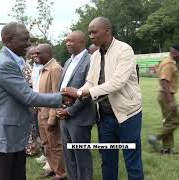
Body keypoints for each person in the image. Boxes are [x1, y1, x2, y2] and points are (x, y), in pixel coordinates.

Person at [0, 22, 75, 180]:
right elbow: (28, 97)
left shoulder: (11, 60)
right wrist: (62, 97)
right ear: (8, 40)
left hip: (11, 136)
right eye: (25, 40)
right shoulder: (5, 63)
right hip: (1, 137)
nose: (29, 44)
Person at [62, 17, 144, 180]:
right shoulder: (95, 56)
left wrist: (79, 93)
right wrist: (77, 93)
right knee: (107, 160)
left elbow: (117, 83)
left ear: (107, 30)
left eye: (94, 32)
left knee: (132, 161)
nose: (91, 36)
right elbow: (90, 82)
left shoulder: (124, 50)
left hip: (128, 115)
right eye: (89, 33)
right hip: (106, 116)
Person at [56, 31, 96, 180]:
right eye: (66, 41)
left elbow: (88, 91)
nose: (68, 43)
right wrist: (61, 108)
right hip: (64, 116)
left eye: (71, 41)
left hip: (80, 117)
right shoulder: (68, 61)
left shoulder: (91, 60)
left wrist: (70, 111)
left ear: (82, 42)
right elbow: (63, 87)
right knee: (69, 155)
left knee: (81, 156)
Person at [34, 44, 66, 180]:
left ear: (46, 54)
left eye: (38, 53)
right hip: (41, 112)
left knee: (55, 145)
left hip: (49, 114)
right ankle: (53, 169)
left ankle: (62, 173)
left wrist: (52, 119)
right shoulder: (43, 68)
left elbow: (56, 95)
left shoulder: (55, 69)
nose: (35, 56)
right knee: (46, 144)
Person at [148, 44, 179, 154]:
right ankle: (155, 137)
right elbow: (164, 82)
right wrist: (170, 101)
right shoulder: (168, 64)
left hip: (165, 95)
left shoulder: (168, 61)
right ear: (176, 53)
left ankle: (167, 148)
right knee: (175, 122)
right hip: (166, 95)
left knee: (169, 122)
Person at [23, 46, 43, 156]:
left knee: (32, 127)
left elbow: (29, 84)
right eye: (32, 54)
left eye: (37, 53)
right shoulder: (31, 66)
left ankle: (32, 148)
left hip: (32, 99)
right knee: (32, 126)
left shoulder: (26, 66)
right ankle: (33, 148)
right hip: (30, 99)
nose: (34, 56)